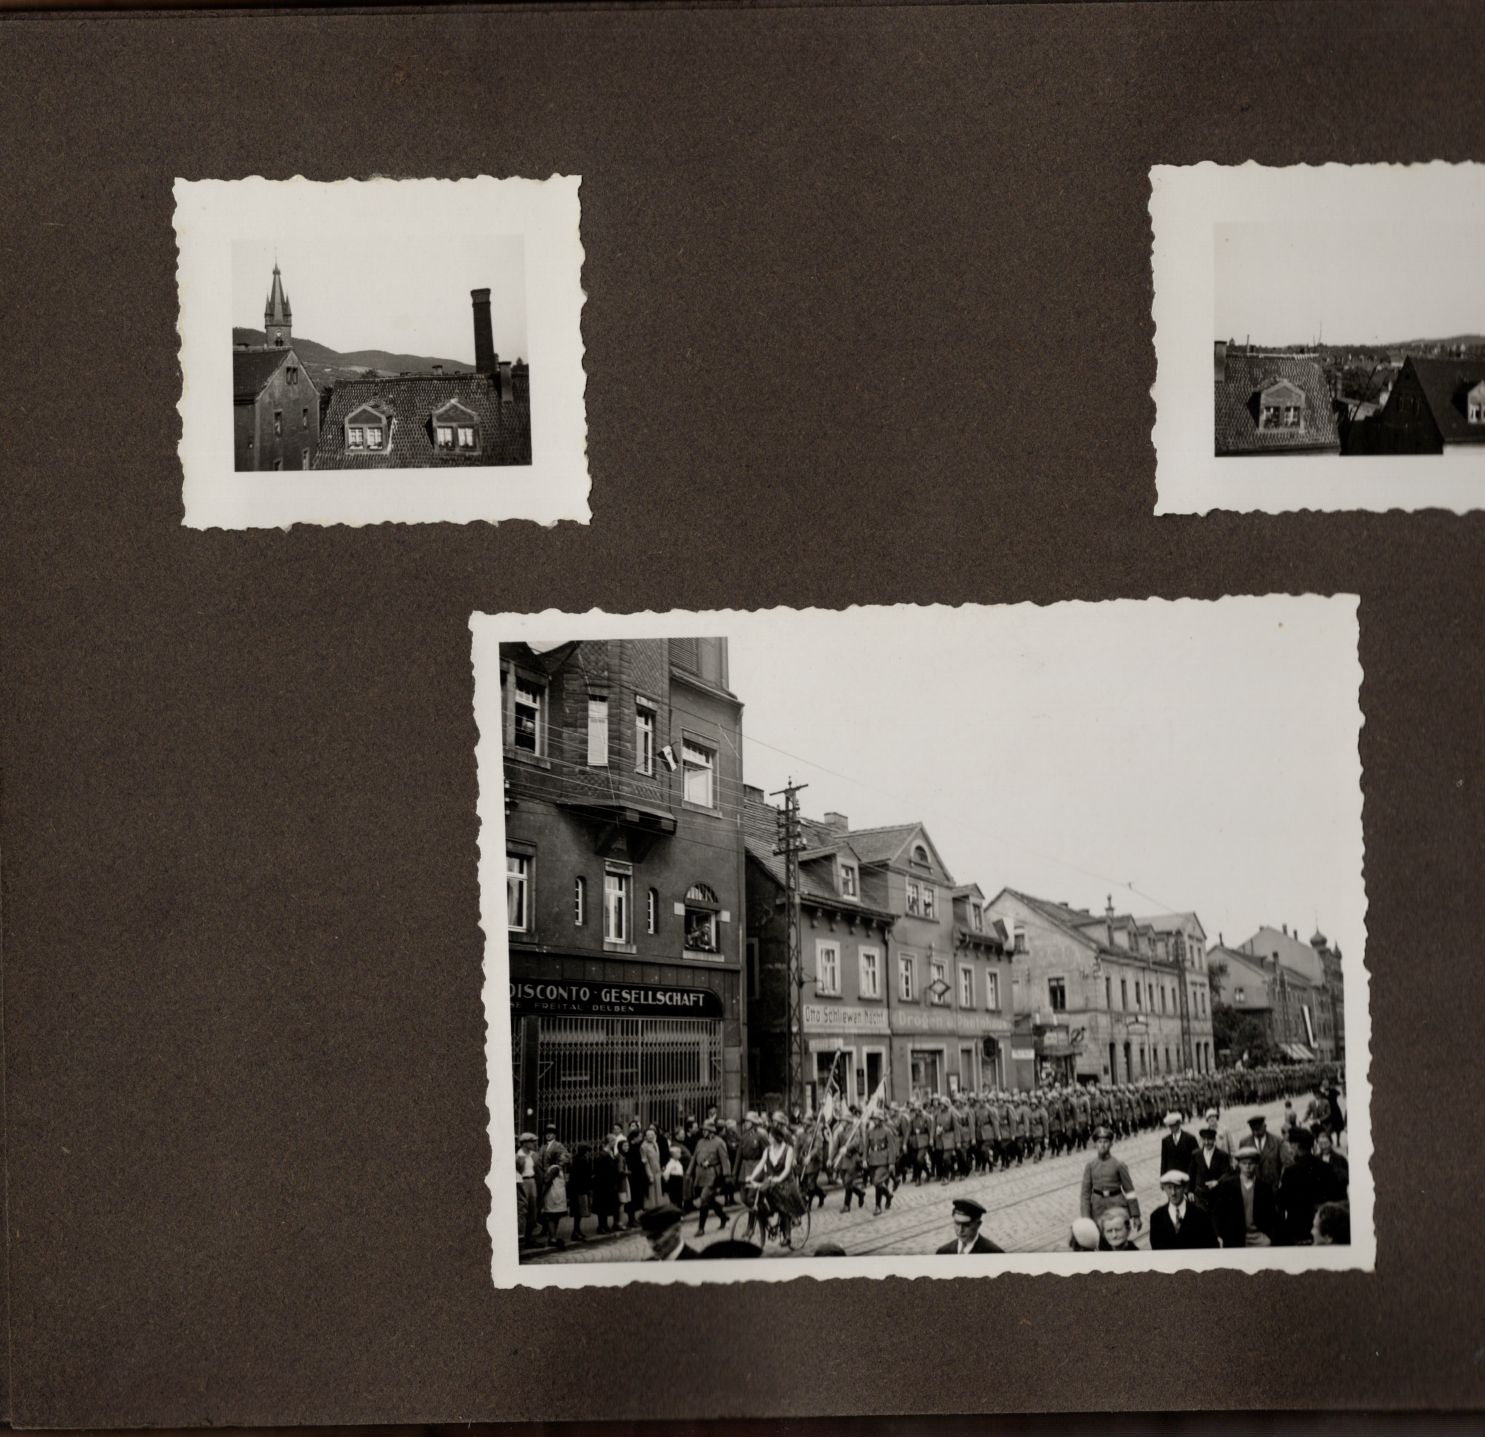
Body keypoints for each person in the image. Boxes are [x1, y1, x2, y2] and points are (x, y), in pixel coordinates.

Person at [1278, 1128, 1341, 1245]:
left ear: (1296, 1146)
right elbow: (1336, 1199)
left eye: (1290, 1145)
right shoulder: (1326, 1168)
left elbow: (1282, 1202)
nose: (1290, 1149)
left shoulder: (1290, 1172)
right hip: (1323, 1231)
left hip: (1298, 1232)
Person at [1212, 1142, 1281, 1247]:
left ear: (1256, 1164)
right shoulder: (1228, 1185)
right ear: (1239, 1164)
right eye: (1244, 1163)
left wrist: (1270, 1236)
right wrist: (1219, 1235)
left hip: (1258, 1236)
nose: (1248, 1167)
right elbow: (1218, 1212)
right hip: (1235, 1235)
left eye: (1251, 1163)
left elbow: (1272, 1215)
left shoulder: (1264, 1187)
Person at [749, 1121, 807, 1247]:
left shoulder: (788, 1149)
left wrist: (779, 1178)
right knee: (760, 1193)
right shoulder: (768, 1150)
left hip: (786, 1182)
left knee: (783, 1206)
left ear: (776, 1138)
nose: (768, 1138)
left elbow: (787, 1169)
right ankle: (769, 1221)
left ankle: (787, 1236)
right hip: (772, 1180)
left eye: (770, 1136)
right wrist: (752, 1177)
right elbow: (761, 1164)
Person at [1079, 1126, 1142, 1232]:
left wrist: (1136, 1215)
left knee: (1117, 1235)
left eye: (1105, 1142)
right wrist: (1086, 1217)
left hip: (1116, 1206)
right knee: (1101, 1239)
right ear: (1095, 1144)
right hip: (1097, 1208)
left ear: (1111, 1144)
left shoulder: (1119, 1165)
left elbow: (1130, 1191)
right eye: (1099, 1142)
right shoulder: (1090, 1166)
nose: (1102, 1145)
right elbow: (1085, 1195)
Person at [1148, 1171, 1219, 1250]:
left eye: (1177, 1187)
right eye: (1169, 1187)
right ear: (1164, 1188)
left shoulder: (1200, 1215)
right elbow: (1156, 1251)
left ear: (1185, 1188)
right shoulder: (1156, 1217)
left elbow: (1212, 1248)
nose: (1173, 1193)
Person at [688, 1119, 731, 1236]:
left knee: (704, 1198)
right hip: (700, 1174)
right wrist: (688, 1173)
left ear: (711, 1131)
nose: (703, 1132)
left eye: (705, 1130)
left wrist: (727, 1176)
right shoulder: (700, 1142)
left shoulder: (719, 1142)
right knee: (709, 1200)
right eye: (703, 1130)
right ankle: (723, 1217)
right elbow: (694, 1157)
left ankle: (701, 1228)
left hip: (713, 1175)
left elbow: (724, 1160)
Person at [936, 1197, 1004, 1254]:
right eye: (957, 1223)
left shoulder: (993, 1253)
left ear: (978, 1224)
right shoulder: (943, 1252)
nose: (960, 1230)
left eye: (966, 1225)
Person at [865, 1109, 899, 1214]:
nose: (875, 1121)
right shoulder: (869, 1131)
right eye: (874, 1119)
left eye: (877, 1119)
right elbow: (866, 1146)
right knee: (876, 1183)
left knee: (877, 1181)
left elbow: (892, 1148)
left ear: (881, 1120)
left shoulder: (887, 1131)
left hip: (883, 1160)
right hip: (872, 1159)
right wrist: (864, 1160)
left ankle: (877, 1206)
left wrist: (892, 1163)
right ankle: (888, 1195)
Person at [1191, 1123, 1230, 1204]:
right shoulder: (1196, 1154)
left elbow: (1227, 1173)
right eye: (1204, 1140)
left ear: (1214, 1140)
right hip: (1200, 1196)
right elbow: (1191, 1173)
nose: (1207, 1142)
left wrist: (1218, 1181)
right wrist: (1189, 1191)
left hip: (1217, 1195)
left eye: (1209, 1140)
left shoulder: (1222, 1155)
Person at [592, 1130, 622, 1235]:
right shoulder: (602, 1155)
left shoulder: (610, 1153)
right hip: (603, 1185)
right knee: (602, 1206)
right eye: (614, 1141)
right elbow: (601, 1171)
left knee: (606, 1205)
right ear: (610, 1142)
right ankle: (601, 1226)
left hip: (609, 1184)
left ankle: (604, 1225)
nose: (615, 1144)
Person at [515, 1132, 541, 1246]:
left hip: (532, 1181)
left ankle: (530, 1237)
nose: (534, 1144)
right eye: (531, 1141)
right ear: (524, 1143)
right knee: (522, 1209)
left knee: (532, 1209)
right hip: (522, 1181)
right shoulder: (518, 1156)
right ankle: (520, 1237)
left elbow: (538, 1169)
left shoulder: (534, 1155)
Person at [1245, 1115, 1284, 1188]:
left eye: (1259, 1128)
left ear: (1265, 1126)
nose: (1256, 1132)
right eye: (1254, 1129)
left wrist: (1281, 1181)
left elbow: (1286, 1164)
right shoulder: (1244, 1142)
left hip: (1273, 1187)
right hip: (1253, 1188)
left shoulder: (1277, 1141)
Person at [567, 1140, 594, 1242]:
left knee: (578, 1212)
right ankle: (575, 1232)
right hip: (580, 1190)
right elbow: (585, 1175)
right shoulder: (582, 1160)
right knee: (579, 1212)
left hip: (576, 1189)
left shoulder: (576, 1159)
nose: (588, 1152)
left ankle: (577, 1230)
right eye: (587, 1150)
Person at [1160, 1111, 1199, 1179]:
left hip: (1187, 1175)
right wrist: (1162, 1178)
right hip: (1172, 1176)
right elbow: (1164, 1161)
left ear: (1179, 1124)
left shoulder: (1190, 1138)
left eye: (1174, 1125)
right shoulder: (1165, 1141)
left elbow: (1197, 1159)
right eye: (1170, 1126)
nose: (1172, 1128)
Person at [640, 1125, 664, 1211]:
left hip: (657, 1170)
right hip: (650, 1172)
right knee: (652, 1193)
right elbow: (645, 1162)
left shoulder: (655, 1143)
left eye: (652, 1134)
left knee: (658, 1192)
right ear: (645, 1136)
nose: (651, 1136)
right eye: (648, 1135)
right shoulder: (643, 1146)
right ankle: (652, 1210)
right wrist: (649, 1175)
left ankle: (658, 1208)